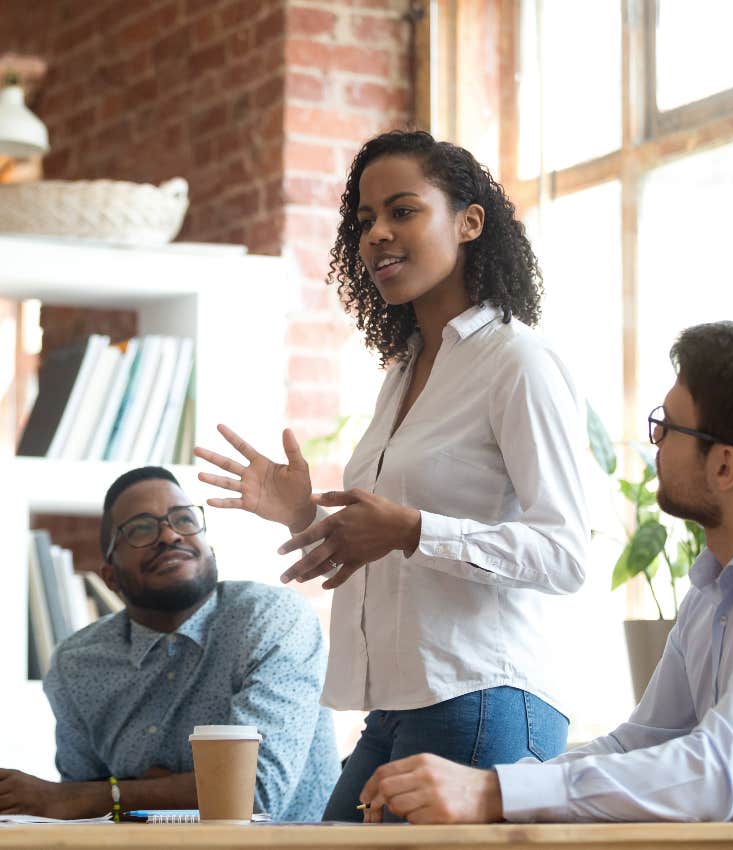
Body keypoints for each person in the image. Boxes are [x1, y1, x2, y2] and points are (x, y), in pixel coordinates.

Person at [194, 129, 590, 821]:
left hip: (486, 698)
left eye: (402, 211)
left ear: (470, 222)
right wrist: (300, 516)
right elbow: (391, 540)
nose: (377, 234)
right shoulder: (405, 372)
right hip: (399, 708)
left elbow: (564, 554)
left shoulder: (516, 363)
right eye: (365, 220)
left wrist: (410, 530)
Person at [356, 320, 733, 835]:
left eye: (668, 427)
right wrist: (493, 786)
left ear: (724, 466)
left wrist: (492, 792)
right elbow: (639, 742)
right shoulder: (717, 587)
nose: (652, 441)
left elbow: (714, 771)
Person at [0, 466, 339, 821]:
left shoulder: (272, 619)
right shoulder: (77, 665)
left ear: (211, 549)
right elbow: (80, 812)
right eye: (140, 529)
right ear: (110, 576)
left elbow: (251, 795)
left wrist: (112, 794)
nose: (169, 535)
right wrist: (124, 797)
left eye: (184, 519)